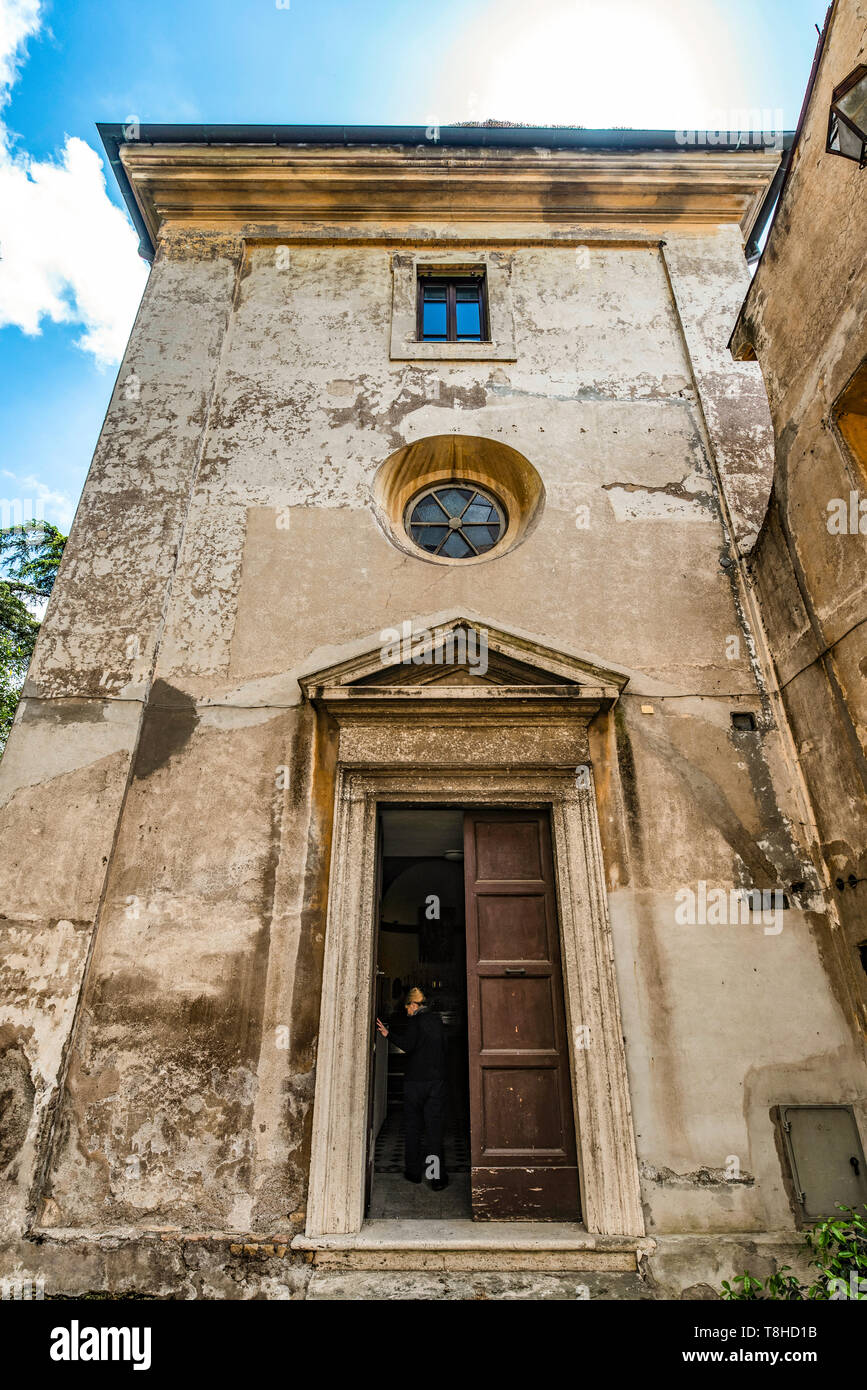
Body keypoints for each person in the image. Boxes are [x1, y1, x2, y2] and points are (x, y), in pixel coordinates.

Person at [376, 986, 449, 1190]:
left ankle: (414, 1172)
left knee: (413, 1127)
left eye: (407, 1006)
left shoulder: (415, 1022)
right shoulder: (437, 1021)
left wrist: (387, 1034)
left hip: (415, 1084)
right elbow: (445, 1048)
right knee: (434, 1131)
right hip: (436, 1083)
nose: (406, 1010)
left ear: (414, 1005)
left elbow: (408, 1045)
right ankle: (435, 1178)